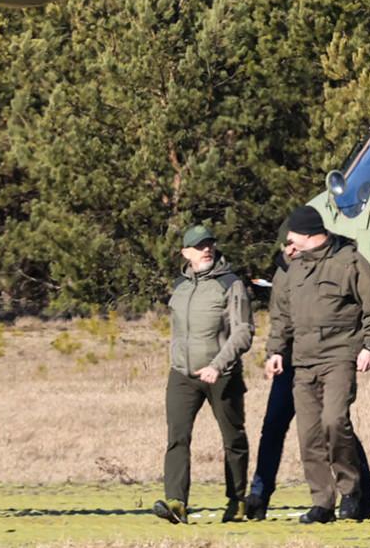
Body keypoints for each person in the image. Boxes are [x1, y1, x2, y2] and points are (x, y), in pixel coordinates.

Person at [265, 206, 370, 524]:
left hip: (339, 357)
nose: (288, 241)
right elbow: (281, 315)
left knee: (334, 421)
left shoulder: (350, 262)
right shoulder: (294, 269)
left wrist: (369, 346)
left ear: (307, 235)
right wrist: (276, 351)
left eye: (292, 234)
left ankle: (352, 491)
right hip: (303, 362)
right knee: (309, 435)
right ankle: (322, 503)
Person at [152, 225, 254, 525]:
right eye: (198, 246)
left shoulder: (230, 284)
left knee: (233, 439)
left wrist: (218, 365)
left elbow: (244, 332)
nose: (206, 250)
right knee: (177, 437)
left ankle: (236, 501)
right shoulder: (180, 286)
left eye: (209, 244)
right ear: (185, 253)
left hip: (222, 374)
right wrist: (176, 361)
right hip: (182, 375)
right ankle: (176, 502)